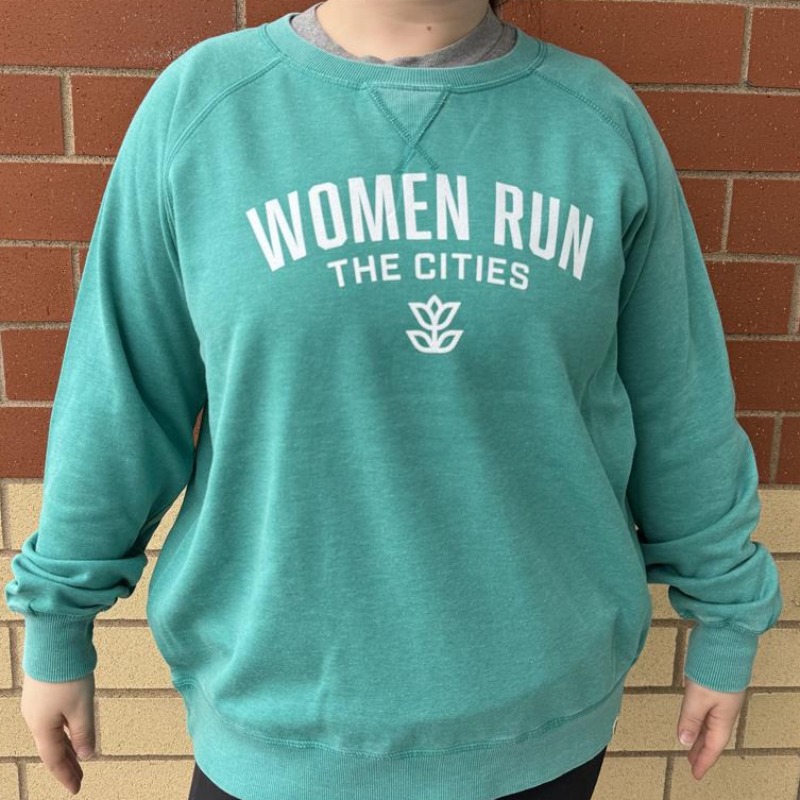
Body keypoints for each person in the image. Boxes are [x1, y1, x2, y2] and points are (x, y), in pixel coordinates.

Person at [4, 1, 783, 799]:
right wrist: (58, 619)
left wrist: (726, 612)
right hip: (278, 711)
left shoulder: (596, 122)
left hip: (538, 717)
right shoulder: (205, 107)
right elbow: (121, 393)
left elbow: (676, 399)